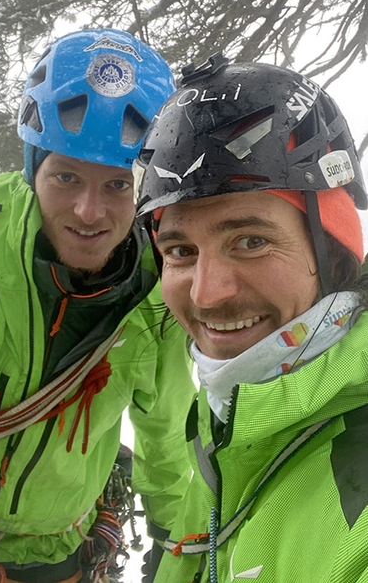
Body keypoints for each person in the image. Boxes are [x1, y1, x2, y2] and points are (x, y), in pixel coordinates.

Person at [0, 29, 195, 583]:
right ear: (34, 169)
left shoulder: (157, 299)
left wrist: (176, 544)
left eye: (117, 186)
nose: (88, 211)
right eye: (66, 176)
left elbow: (167, 434)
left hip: (56, 558)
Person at [135, 51, 368, 583]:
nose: (208, 294)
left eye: (251, 241)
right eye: (180, 251)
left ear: (333, 251)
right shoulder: (237, 422)